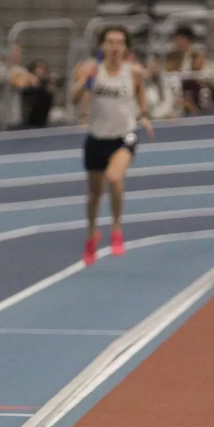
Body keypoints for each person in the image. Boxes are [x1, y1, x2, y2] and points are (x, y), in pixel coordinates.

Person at [70, 25, 153, 266]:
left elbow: (141, 95)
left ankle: (116, 227)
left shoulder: (134, 71)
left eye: (119, 42)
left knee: (114, 178)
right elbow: (74, 99)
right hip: (97, 138)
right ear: (102, 46)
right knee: (94, 194)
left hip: (123, 136)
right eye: (110, 42)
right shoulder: (89, 69)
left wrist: (144, 116)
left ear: (126, 47)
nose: (115, 47)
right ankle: (92, 233)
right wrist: (86, 80)